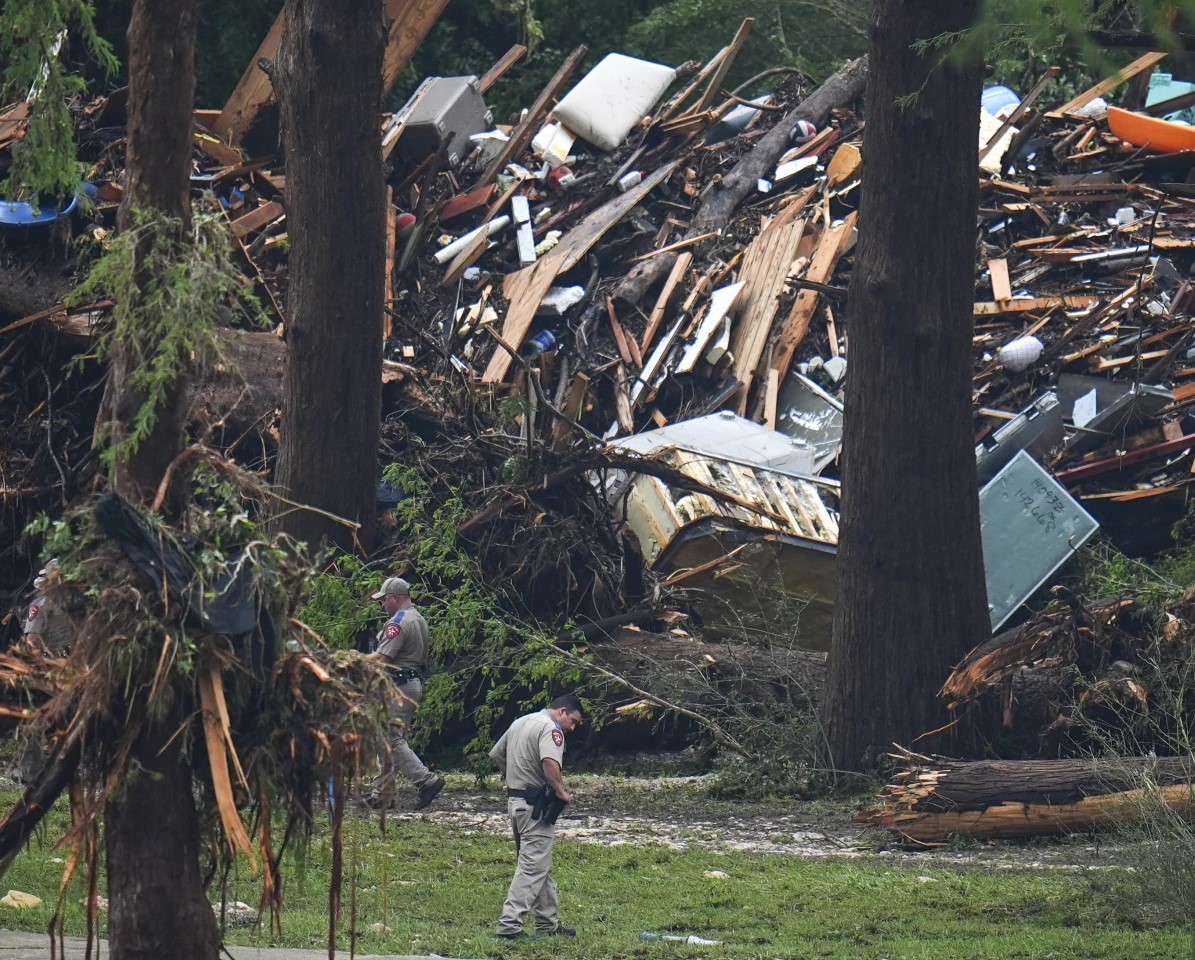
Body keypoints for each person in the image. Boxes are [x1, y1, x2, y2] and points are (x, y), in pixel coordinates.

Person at [490, 692, 584, 940]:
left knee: (539, 864)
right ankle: (509, 925)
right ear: (561, 711)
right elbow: (550, 763)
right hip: (535, 806)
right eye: (572, 721)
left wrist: (516, 777)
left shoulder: (521, 721)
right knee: (532, 868)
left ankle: (547, 925)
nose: (572, 728)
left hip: (516, 801)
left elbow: (497, 754)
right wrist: (561, 792)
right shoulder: (551, 729)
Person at [364, 576, 444, 811]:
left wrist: (354, 659)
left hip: (397, 686)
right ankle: (383, 793)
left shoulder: (397, 623)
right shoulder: (417, 618)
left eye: (383, 600)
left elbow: (381, 659)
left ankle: (426, 781)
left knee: (390, 738)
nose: (382, 605)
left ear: (394, 598)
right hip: (409, 683)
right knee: (389, 738)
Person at [18, 560, 73, 784]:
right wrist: (41, 668)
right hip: (48, 671)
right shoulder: (40, 606)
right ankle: (30, 774)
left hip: (72, 668)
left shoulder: (73, 605)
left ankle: (64, 772)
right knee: (36, 720)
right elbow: (32, 642)